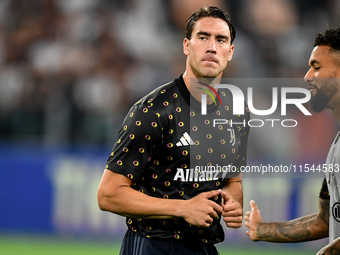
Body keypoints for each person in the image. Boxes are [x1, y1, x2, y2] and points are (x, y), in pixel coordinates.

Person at [97, 6, 250, 255]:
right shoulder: (153, 110)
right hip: (152, 245)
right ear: (186, 46)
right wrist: (183, 208)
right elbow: (108, 194)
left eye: (220, 39)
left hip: (203, 247)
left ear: (230, 52)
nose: (212, 47)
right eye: (203, 37)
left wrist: (233, 201)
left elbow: (233, 180)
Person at [244, 27, 340, 255]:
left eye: (316, 67)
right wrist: (262, 230)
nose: (307, 77)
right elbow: (326, 220)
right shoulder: (336, 144)